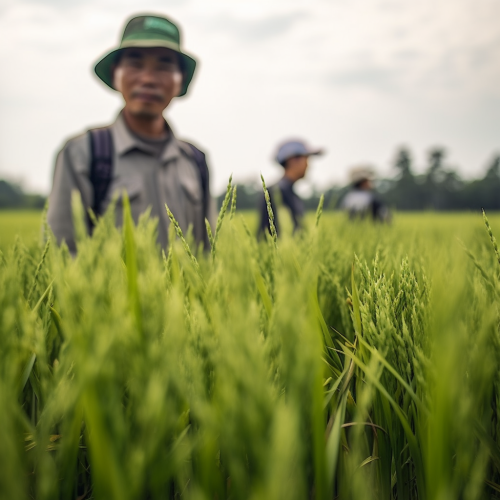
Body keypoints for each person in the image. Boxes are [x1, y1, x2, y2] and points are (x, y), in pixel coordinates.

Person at [47, 14, 213, 253]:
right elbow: (60, 255)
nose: (147, 79)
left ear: (180, 80)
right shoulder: (83, 153)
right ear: (116, 74)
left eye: (164, 66)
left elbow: (207, 254)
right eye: (135, 64)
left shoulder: (195, 160)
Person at [258, 139, 323, 237]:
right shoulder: (276, 192)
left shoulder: (291, 194)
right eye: (306, 159)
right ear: (292, 160)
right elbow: (266, 235)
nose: (308, 165)